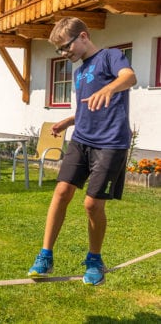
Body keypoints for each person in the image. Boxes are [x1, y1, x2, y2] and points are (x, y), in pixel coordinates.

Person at [27, 17, 137, 286]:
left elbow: (129, 77)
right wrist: (69, 120)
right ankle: (45, 255)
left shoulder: (111, 56)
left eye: (66, 47)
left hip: (111, 143)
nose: (65, 54)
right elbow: (89, 105)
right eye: (60, 51)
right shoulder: (78, 73)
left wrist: (110, 88)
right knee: (62, 192)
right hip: (82, 139)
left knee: (91, 205)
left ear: (84, 36)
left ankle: (95, 259)